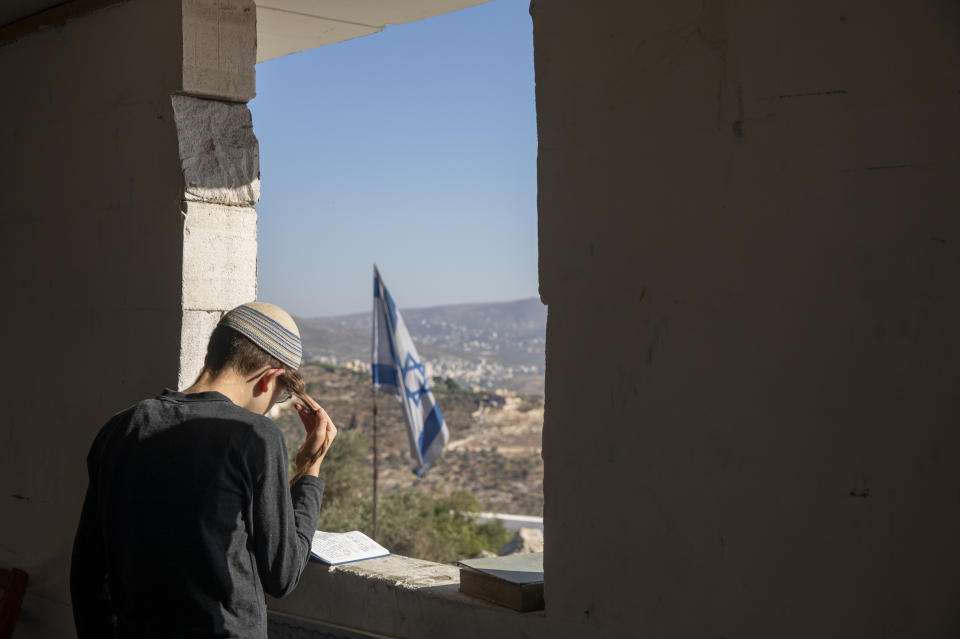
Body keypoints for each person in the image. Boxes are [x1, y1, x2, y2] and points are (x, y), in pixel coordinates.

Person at [70, 302, 337, 638]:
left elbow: (87, 575)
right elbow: (282, 575)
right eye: (279, 398)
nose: (269, 410)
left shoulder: (121, 428)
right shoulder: (254, 436)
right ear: (269, 378)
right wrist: (310, 468)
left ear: (215, 350)